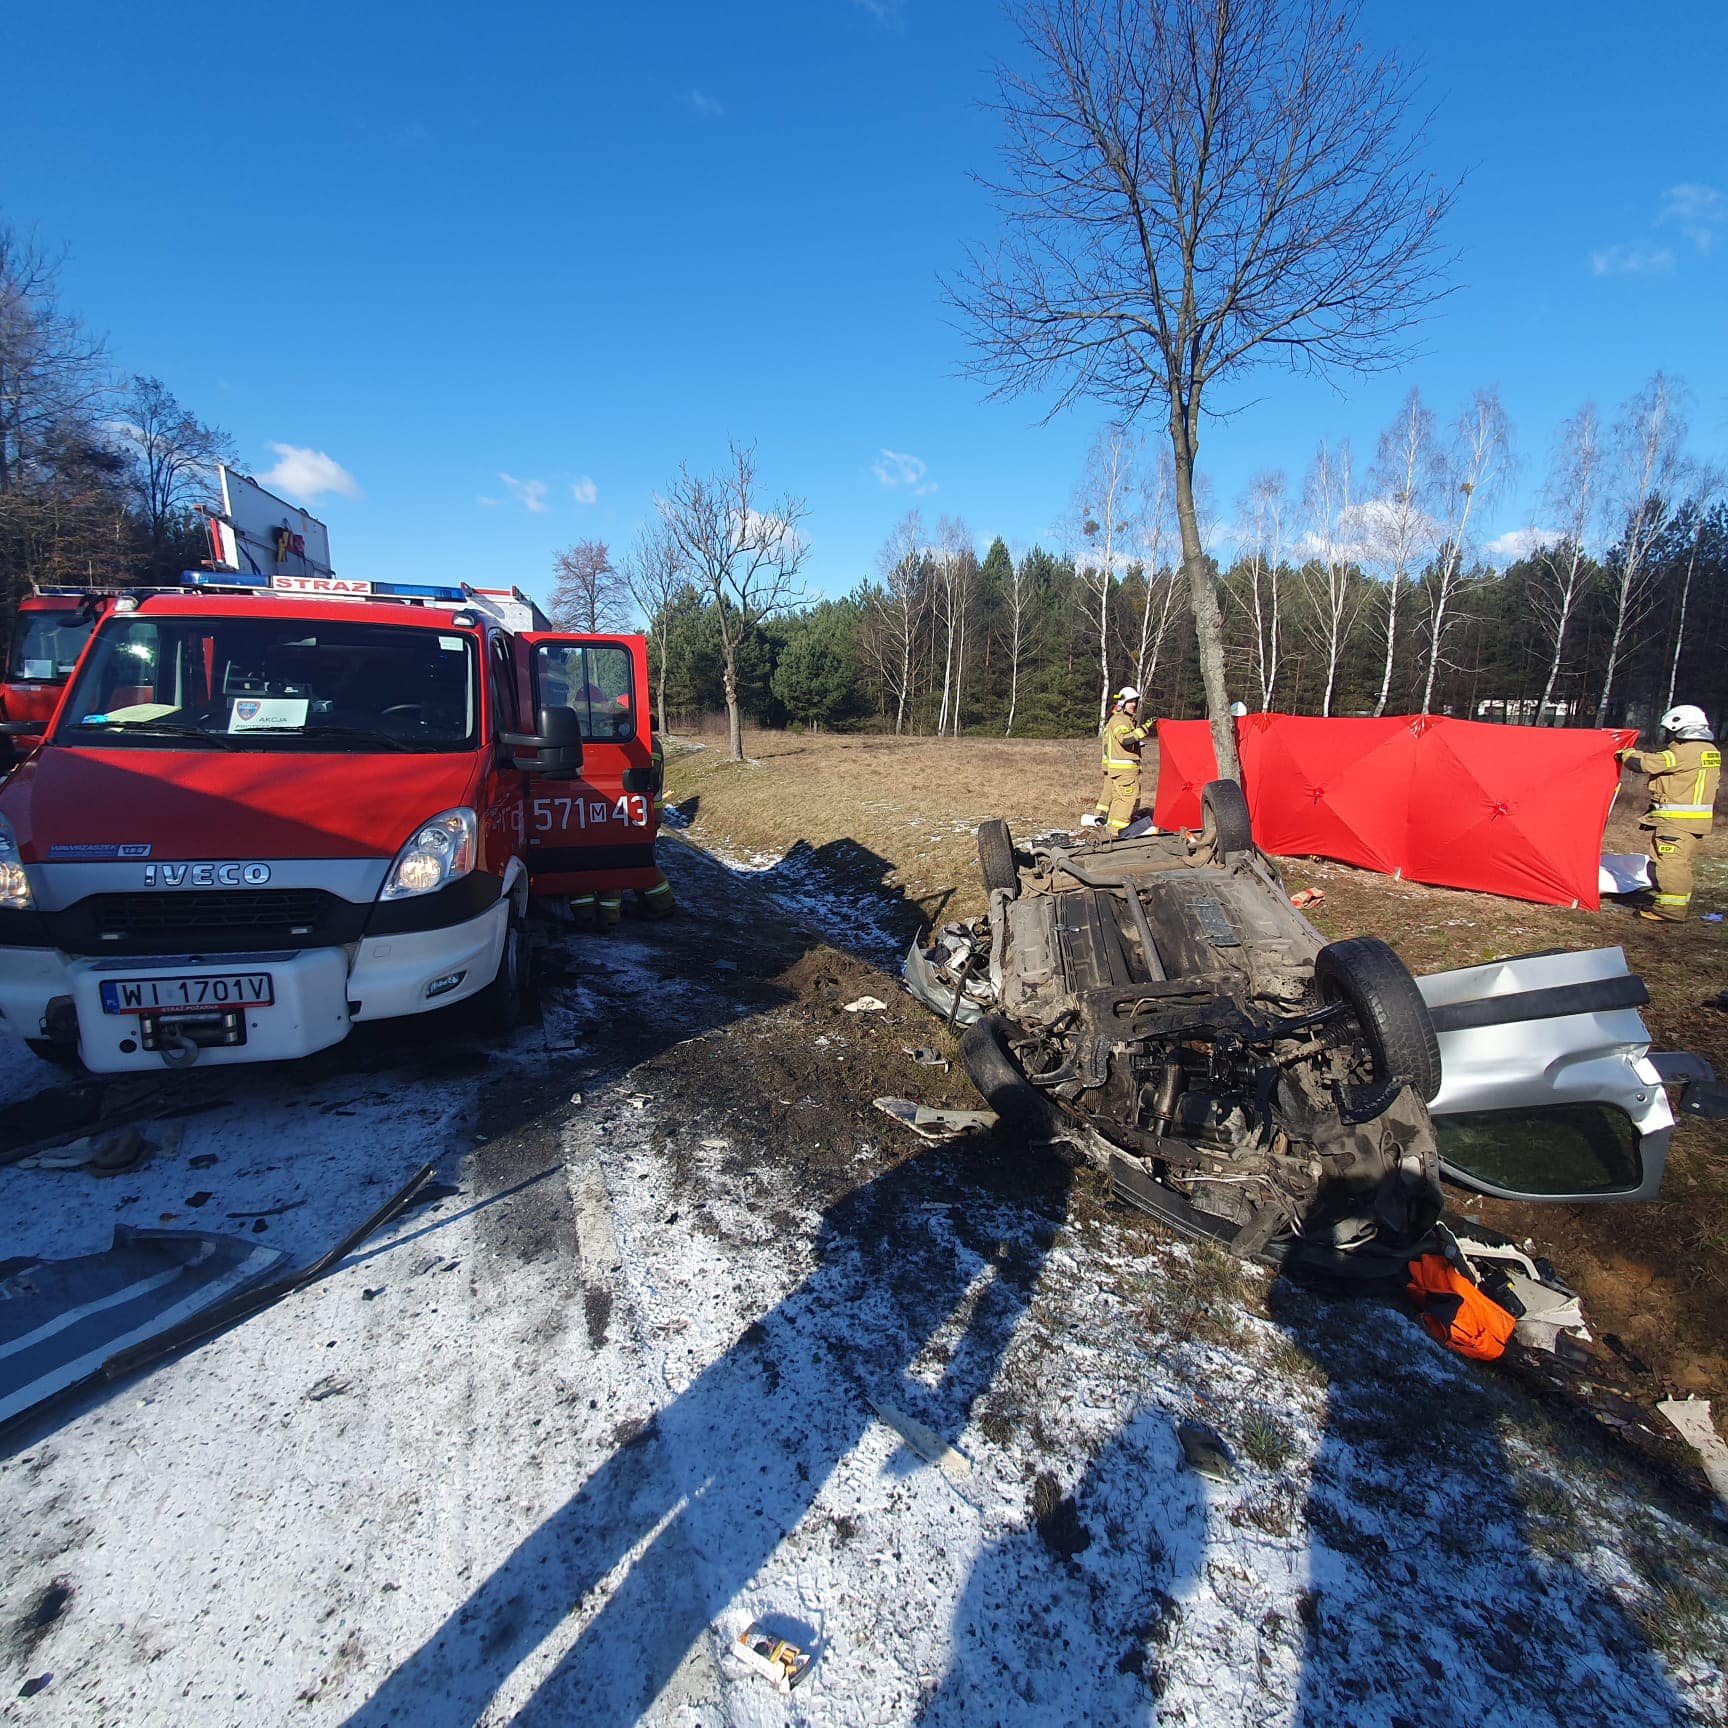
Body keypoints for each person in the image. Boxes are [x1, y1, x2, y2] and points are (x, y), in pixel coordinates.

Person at [1618, 704, 1720, 923]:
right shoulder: (1709, 751)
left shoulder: (1685, 751)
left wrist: (1626, 754)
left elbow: (1646, 764)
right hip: (1695, 822)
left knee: (1670, 864)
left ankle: (1669, 911)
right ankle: (1671, 903)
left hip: (1677, 822)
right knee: (1679, 864)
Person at [1090, 687, 1152, 838]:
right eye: (1130, 702)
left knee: (1118, 802)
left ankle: (1112, 833)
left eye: (1135, 702)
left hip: (1121, 772)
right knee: (1126, 804)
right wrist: (1144, 729)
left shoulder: (1123, 720)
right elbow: (1125, 739)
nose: (1134, 705)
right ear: (1123, 703)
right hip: (1124, 773)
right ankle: (1120, 836)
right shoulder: (1119, 720)